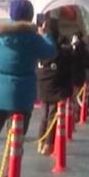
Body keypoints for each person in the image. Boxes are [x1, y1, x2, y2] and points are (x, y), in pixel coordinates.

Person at [0, 0, 57, 165]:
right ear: (30, 16)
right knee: (15, 143)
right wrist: (45, 33)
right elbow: (50, 52)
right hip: (22, 96)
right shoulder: (33, 39)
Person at [35, 25, 72, 155]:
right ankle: (48, 144)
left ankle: (41, 141)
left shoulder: (40, 50)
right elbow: (66, 72)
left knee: (44, 115)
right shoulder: (60, 52)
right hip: (56, 88)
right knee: (52, 117)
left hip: (42, 87)